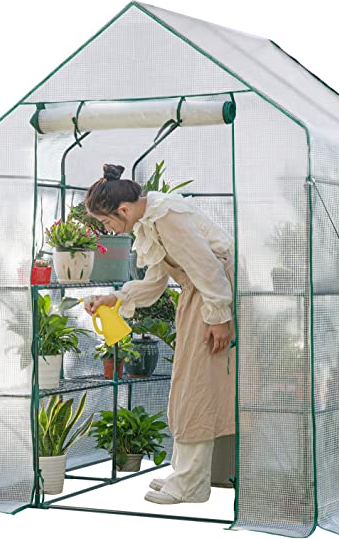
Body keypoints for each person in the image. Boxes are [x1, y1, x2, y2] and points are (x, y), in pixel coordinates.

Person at [83, 163, 236, 505]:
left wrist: (218, 315)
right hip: (200, 294)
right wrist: (117, 298)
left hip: (211, 294)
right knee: (189, 384)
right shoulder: (152, 218)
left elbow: (208, 267)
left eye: (107, 222)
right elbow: (155, 282)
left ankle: (192, 484)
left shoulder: (166, 216)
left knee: (196, 385)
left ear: (123, 210)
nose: (108, 230)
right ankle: (185, 473)